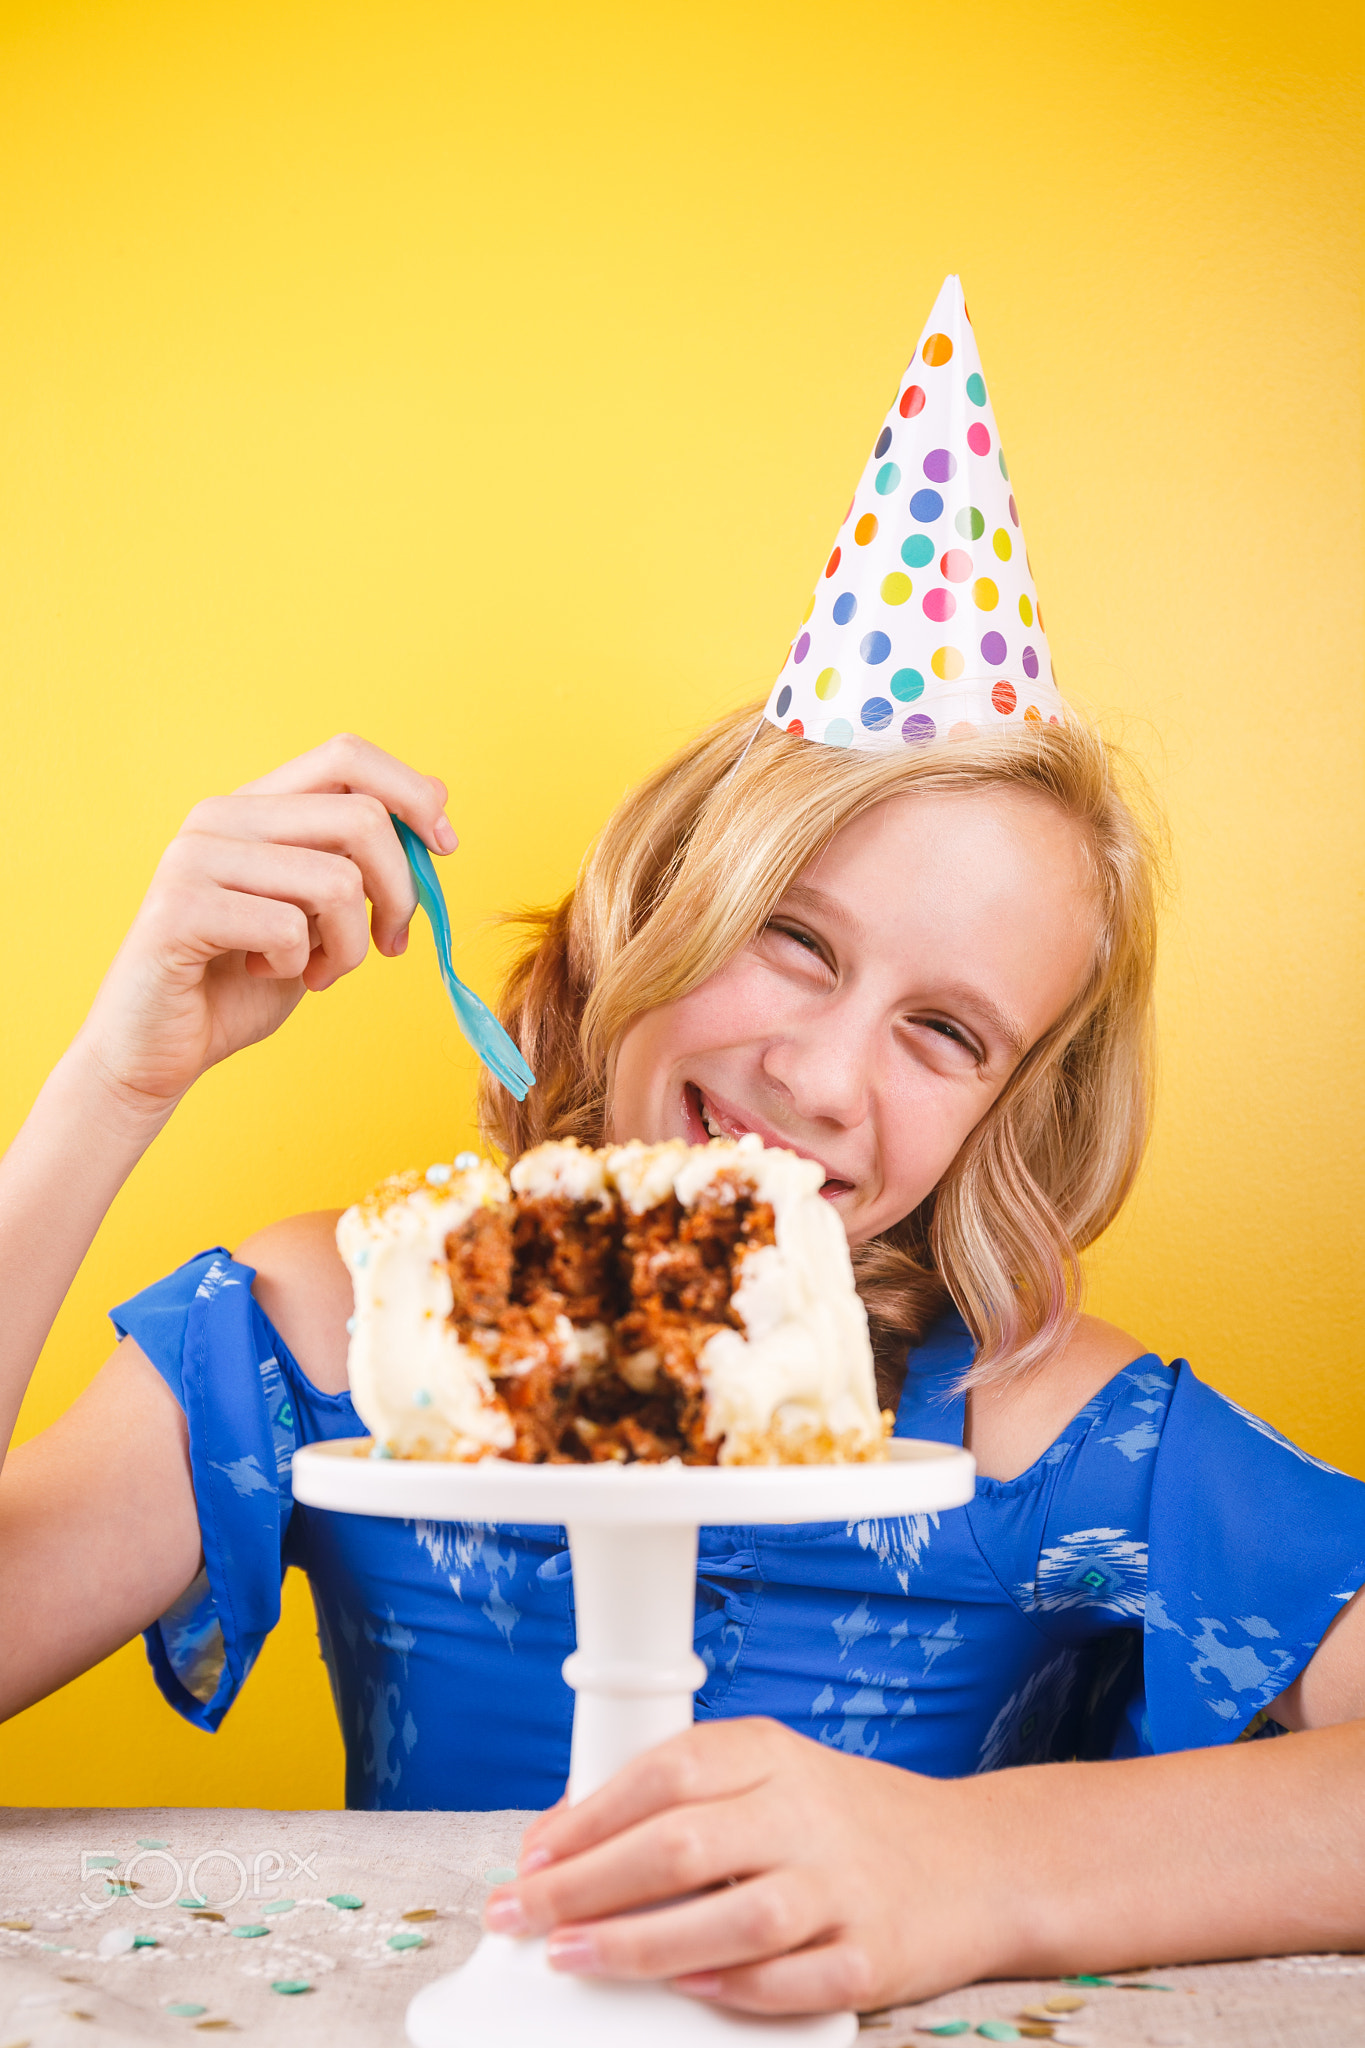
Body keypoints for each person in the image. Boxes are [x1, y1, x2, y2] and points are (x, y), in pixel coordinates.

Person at [1, 706, 1362, 2017]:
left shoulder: (1054, 1438)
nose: (823, 1078)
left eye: (945, 1032)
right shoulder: (343, 1327)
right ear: (641, 912)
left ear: (1008, 1111)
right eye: (790, 937)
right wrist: (115, 1083)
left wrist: (976, 1864)